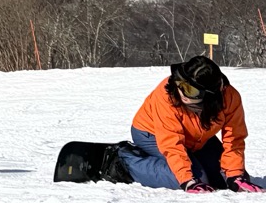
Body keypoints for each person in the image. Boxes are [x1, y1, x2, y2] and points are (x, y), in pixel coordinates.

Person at [105, 56, 264, 191]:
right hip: (151, 133)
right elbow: (171, 142)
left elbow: (234, 138)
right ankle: (124, 160)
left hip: (196, 138)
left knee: (225, 180)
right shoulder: (167, 94)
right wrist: (187, 180)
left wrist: (235, 174)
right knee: (195, 178)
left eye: (189, 90)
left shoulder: (230, 98)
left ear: (209, 94)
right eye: (180, 82)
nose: (181, 91)